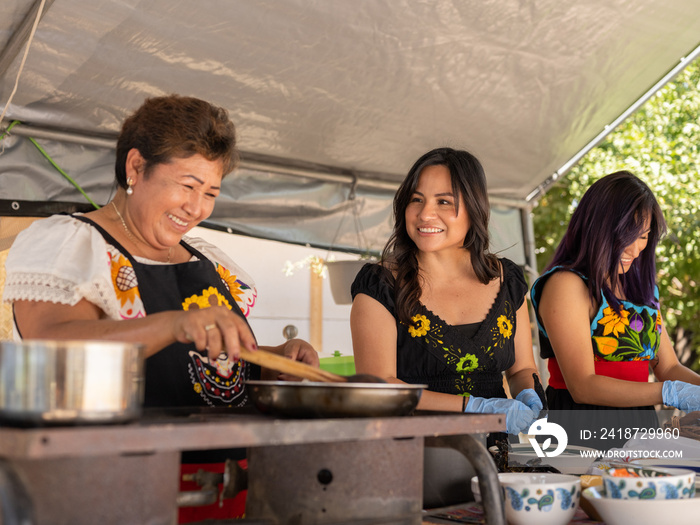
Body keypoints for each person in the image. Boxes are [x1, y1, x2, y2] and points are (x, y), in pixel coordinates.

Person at [2, 94, 318, 520]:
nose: (197, 208)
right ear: (136, 167)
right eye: (187, 185)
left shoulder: (210, 261)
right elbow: (53, 344)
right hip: (119, 493)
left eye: (210, 192)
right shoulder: (71, 244)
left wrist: (275, 361)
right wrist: (173, 324)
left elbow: (205, 365)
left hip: (232, 487)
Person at [350, 147, 543, 438]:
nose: (425, 213)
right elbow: (380, 387)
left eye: (443, 201)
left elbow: (521, 369)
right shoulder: (379, 285)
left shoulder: (507, 280)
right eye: (417, 200)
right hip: (416, 453)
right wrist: (473, 407)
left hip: (500, 452)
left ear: (474, 209)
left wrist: (530, 393)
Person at [531, 170, 700, 449]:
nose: (636, 249)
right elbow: (583, 385)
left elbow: (668, 366)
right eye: (628, 234)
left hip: (642, 428)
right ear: (596, 226)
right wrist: (669, 393)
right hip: (581, 429)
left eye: (644, 237)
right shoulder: (566, 285)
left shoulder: (642, 291)